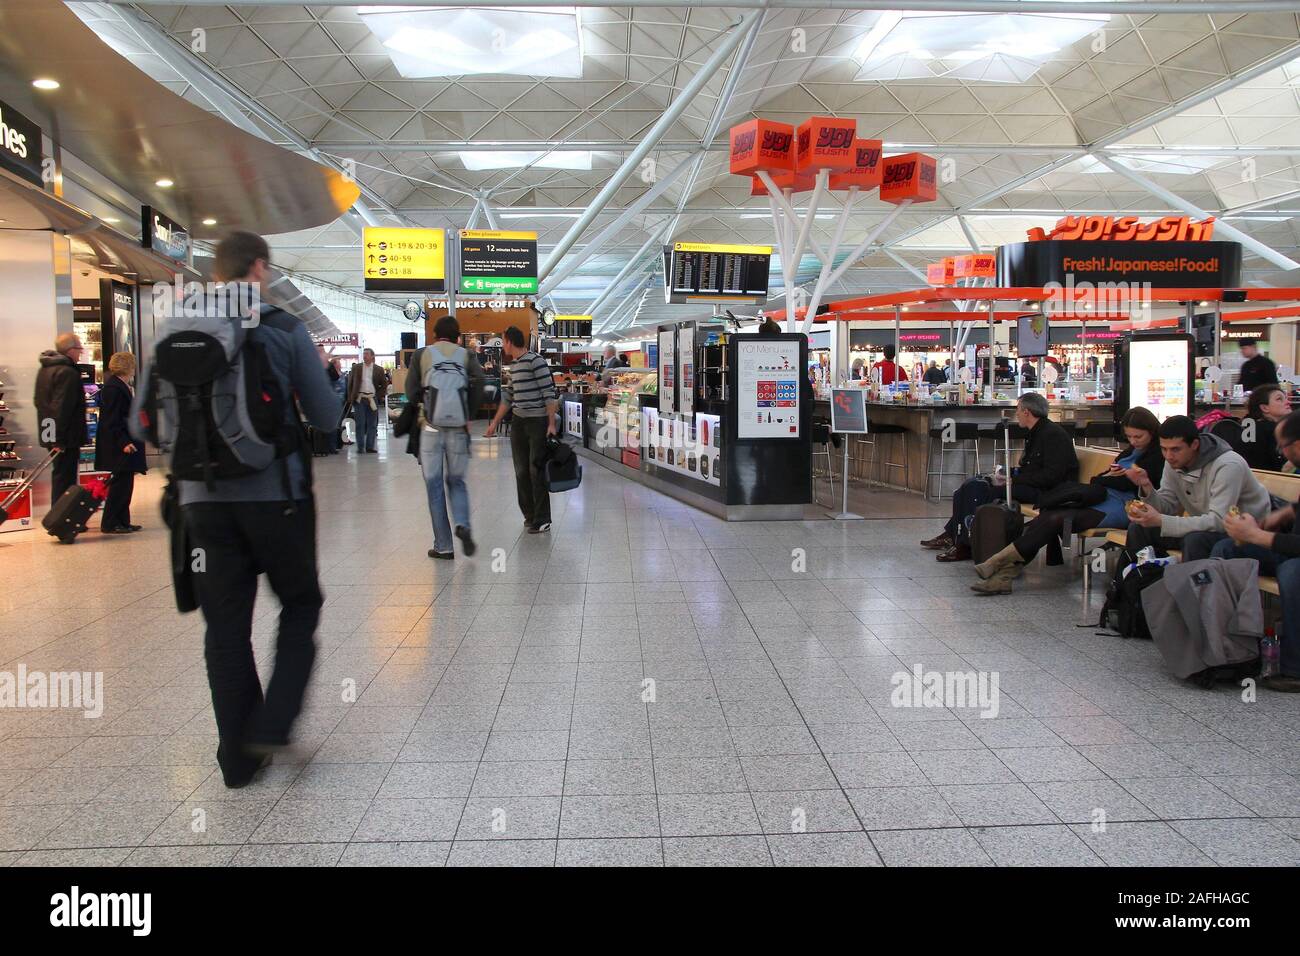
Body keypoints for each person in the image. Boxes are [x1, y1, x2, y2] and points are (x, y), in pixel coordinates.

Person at [140, 231, 341, 789]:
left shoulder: (173, 325)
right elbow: (326, 418)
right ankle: (274, 723)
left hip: (200, 506)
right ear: (259, 267)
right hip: (277, 499)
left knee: (224, 629)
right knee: (300, 603)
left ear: (215, 270)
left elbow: (141, 424)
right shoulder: (281, 327)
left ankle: (237, 760)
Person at [971, 407, 1164, 594]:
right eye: (1130, 436)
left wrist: (1116, 478)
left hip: (1125, 508)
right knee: (1051, 518)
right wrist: (1116, 478)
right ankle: (1002, 575)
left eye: (1138, 436)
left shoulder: (1158, 456)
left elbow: (1130, 484)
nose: (1134, 441)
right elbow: (1101, 478)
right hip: (1102, 498)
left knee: (1056, 519)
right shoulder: (1130, 452)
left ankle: (997, 564)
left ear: (1152, 431)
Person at [921, 392, 1078, 562]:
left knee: (982, 490)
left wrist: (1013, 480)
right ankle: (955, 535)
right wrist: (1007, 473)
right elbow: (1032, 468)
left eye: (1018, 410)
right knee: (969, 486)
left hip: (1049, 492)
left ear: (1027, 412)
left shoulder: (1052, 435)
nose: (1016, 414)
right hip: (1034, 484)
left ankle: (966, 544)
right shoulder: (1036, 432)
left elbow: (1051, 476)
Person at [1211, 409, 1300, 692]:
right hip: (1289, 546)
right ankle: (1227, 647)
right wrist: (1283, 515)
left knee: (1292, 572)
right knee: (1226, 548)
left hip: (1294, 555)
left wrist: (1257, 535)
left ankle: (1294, 668)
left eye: (1282, 445)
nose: (1281, 452)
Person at [1124, 414, 1270, 562]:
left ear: (1194, 444)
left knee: (1196, 540)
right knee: (1139, 529)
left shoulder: (1228, 465)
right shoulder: (1173, 462)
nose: (1168, 456)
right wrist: (1146, 486)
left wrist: (1160, 520)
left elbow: (1219, 522)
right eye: (1164, 449)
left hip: (1242, 532)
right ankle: (1139, 578)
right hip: (1203, 527)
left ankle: (1191, 584)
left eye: (1175, 449)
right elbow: (1168, 508)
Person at [406, 315, 485, 560]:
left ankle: (444, 545)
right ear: (457, 336)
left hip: (430, 427)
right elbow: (480, 382)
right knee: (457, 481)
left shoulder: (421, 354)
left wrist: (424, 400)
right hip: (458, 428)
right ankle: (462, 523)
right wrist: (469, 413)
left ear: (434, 335)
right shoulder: (466, 355)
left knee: (434, 486)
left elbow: (410, 392)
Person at [486, 326, 559, 534]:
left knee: (536, 470)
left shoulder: (536, 361)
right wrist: (493, 424)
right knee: (521, 471)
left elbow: (548, 393)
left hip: (537, 423)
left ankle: (543, 518)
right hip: (519, 422)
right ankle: (530, 515)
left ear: (509, 341)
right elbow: (509, 397)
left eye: (503, 340)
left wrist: (551, 423)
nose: (502, 345)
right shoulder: (515, 365)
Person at [94, 351, 147, 534]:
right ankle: (110, 522)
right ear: (129, 367)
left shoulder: (118, 386)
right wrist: (123, 441)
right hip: (119, 446)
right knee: (120, 486)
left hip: (121, 443)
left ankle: (123, 521)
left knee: (125, 484)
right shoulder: (114, 388)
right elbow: (113, 419)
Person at [34, 332, 87, 507]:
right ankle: (62, 518)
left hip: (51, 432)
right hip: (66, 437)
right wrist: (59, 439)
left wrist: (50, 435)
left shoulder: (45, 369)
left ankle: (60, 516)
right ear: (70, 350)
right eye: (79, 349)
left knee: (59, 475)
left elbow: (41, 403)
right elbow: (62, 407)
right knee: (66, 479)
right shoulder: (68, 372)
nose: (80, 352)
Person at [1232, 384, 1290, 471]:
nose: (1287, 402)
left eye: (1286, 398)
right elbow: (1280, 467)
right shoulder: (1270, 430)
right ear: (1264, 408)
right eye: (1279, 399)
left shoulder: (1250, 425)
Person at [347, 348, 389, 454]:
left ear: (372, 356)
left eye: (367, 354)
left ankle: (370, 446)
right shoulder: (356, 368)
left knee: (372, 424)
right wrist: (350, 396)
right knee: (360, 424)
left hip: (372, 398)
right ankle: (360, 447)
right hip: (359, 398)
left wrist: (379, 395)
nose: (364, 356)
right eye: (364, 354)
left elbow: (384, 384)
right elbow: (350, 383)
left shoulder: (379, 369)